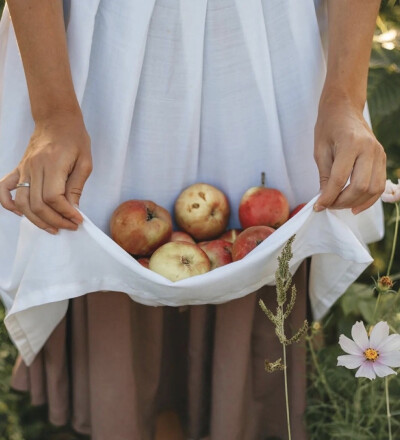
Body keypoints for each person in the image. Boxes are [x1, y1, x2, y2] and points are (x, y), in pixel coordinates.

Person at [0, 0, 386, 439]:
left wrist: (346, 99)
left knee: (264, 266)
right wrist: (53, 112)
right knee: (100, 247)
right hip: (109, 54)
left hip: (262, 46)